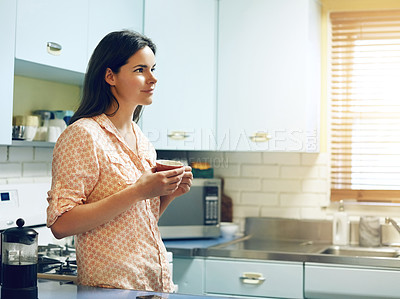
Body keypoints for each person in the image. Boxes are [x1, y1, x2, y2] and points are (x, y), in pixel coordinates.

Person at [46, 30, 193, 292]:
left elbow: (134, 221)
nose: (153, 78)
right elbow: (60, 224)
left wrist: (167, 193)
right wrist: (138, 191)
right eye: (140, 70)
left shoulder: (142, 139)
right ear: (110, 76)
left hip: (151, 285)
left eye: (153, 69)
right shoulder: (83, 134)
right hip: (110, 289)